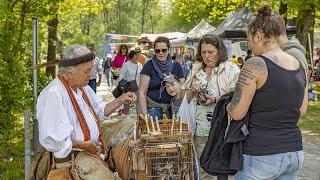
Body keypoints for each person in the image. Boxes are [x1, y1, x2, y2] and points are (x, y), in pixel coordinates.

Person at [226, 5, 308, 180]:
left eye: (250, 40)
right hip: (294, 152)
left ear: (258, 35)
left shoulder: (255, 64)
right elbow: (302, 110)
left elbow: (237, 112)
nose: (250, 46)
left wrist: (227, 105)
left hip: (261, 154)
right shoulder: (299, 64)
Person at [36, 44, 136, 179]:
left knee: (128, 123)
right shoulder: (54, 94)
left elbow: (101, 111)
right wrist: (85, 145)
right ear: (70, 73)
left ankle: (122, 165)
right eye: (87, 70)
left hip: (92, 141)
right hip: (75, 154)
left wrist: (121, 99)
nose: (91, 74)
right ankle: (108, 165)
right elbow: (55, 142)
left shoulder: (82, 87)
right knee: (105, 178)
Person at [184, 35, 240, 180]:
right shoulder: (197, 71)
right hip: (199, 131)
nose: (207, 56)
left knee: (220, 171)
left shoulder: (231, 69)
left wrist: (215, 99)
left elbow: (238, 98)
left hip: (222, 130)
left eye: (211, 52)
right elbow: (184, 99)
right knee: (201, 171)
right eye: (203, 52)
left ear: (220, 51)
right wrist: (192, 91)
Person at [139, 36, 185, 119]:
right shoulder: (148, 66)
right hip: (154, 108)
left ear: (168, 49)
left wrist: (171, 80)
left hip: (174, 108)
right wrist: (145, 115)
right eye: (157, 50)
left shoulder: (176, 66)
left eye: (164, 50)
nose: (161, 53)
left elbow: (182, 88)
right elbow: (142, 92)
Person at [119, 47, 143, 116]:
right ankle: (127, 116)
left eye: (137, 55)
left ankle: (139, 118)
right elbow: (121, 76)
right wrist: (122, 86)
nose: (137, 56)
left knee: (138, 102)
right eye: (136, 55)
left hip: (138, 87)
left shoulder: (140, 65)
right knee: (127, 102)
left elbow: (142, 75)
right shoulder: (126, 65)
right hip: (128, 87)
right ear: (132, 57)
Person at [112, 44, 129, 116]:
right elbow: (113, 66)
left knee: (125, 93)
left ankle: (124, 109)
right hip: (119, 77)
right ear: (120, 49)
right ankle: (120, 109)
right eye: (122, 48)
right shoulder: (117, 57)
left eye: (125, 48)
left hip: (127, 77)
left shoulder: (129, 57)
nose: (124, 49)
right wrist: (118, 69)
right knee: (120, 93)